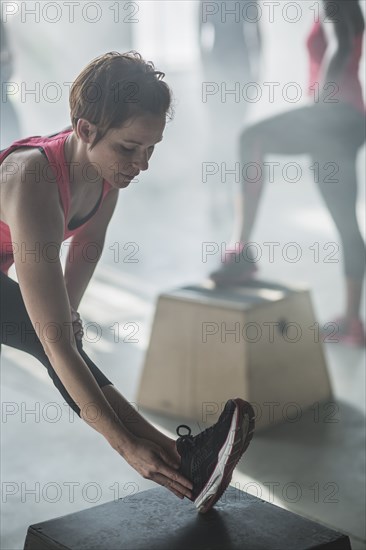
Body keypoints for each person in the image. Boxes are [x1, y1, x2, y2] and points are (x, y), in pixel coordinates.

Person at [0, 52, 255, 513]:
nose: (142, 164)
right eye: (129, 148)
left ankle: (185, 460)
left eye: (151, 148)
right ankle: (179, 457)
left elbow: (84, 251)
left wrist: (69, 318)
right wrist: (123, 446)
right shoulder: (31, 178)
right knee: (53, 341)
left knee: (60, 338)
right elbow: (53, 341)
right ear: (85, 130)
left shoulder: (104, 176)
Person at [210, 0, 366, 347]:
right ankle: (353, 321)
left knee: (251, 138)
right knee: (346, 221)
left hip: (335, 113)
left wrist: (320, 105)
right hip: (351, 118)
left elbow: (340, 46)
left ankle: (241, 251)